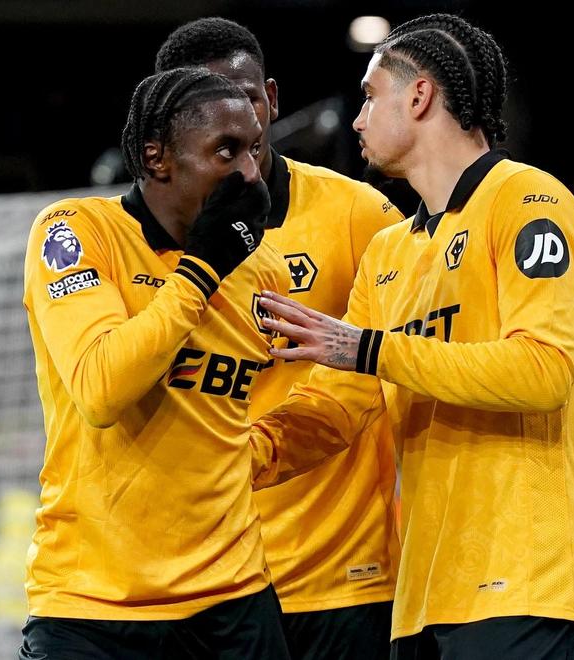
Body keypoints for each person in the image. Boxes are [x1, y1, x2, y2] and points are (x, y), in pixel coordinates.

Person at [250, 13, 574, 660]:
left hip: (529, 586)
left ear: (419, 96)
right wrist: (231, 457)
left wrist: (369, 348)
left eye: (370, 96)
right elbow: (337, 406)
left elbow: (543, 371)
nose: (357, 120)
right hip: (423, 596)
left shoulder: (527, 198)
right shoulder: (388, 251)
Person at [20, 67, 292, 659]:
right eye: (226, 151)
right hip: (92, 610)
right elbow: (101, 389)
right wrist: (200, 272)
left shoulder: (265, 270)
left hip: (235, 600)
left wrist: (255, 454)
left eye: (254, 149)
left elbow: (302, 395)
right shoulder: (75, 232)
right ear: (157, 157)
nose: (251, 172)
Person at [155, 18, 404, 660]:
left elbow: (400, 363)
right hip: (202, 579)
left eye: (245, 98)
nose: (232, 121)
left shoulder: (361, 216)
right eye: (204, 106)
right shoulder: (142, 242)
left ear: (270, 97)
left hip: (343, 577)